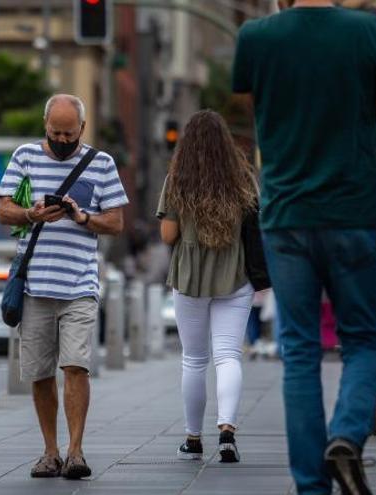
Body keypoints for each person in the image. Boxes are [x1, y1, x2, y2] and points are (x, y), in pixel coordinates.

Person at [233, 1, 376, 494]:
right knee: (362, 342)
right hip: (352, 214)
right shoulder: (374, 34)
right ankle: (347, 436)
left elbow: (267, 121)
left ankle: (311, 488)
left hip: (285, 217)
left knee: (299, 352)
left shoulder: (256, 39)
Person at [0, 94, 128, 480]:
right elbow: (3, 210)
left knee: (75, 366)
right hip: (35, 284)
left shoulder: (101, 164)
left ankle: (76, 452)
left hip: (79, 283)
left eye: (69, 134)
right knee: (39, 373)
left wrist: (82, 216)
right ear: (45, 125)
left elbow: (116, 222)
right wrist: (30, 213)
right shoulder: (24, 157)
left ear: (82, 130)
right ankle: (49, 452)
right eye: (55, 132)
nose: (61, 140)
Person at [157, 110, 258, 464]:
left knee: (194, 359)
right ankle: (227, 432)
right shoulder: (243, 179)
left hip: (190, 277)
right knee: (229, 354)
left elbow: (168, 234)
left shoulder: (177, 180)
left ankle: (193, 438)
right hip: (235, 275)